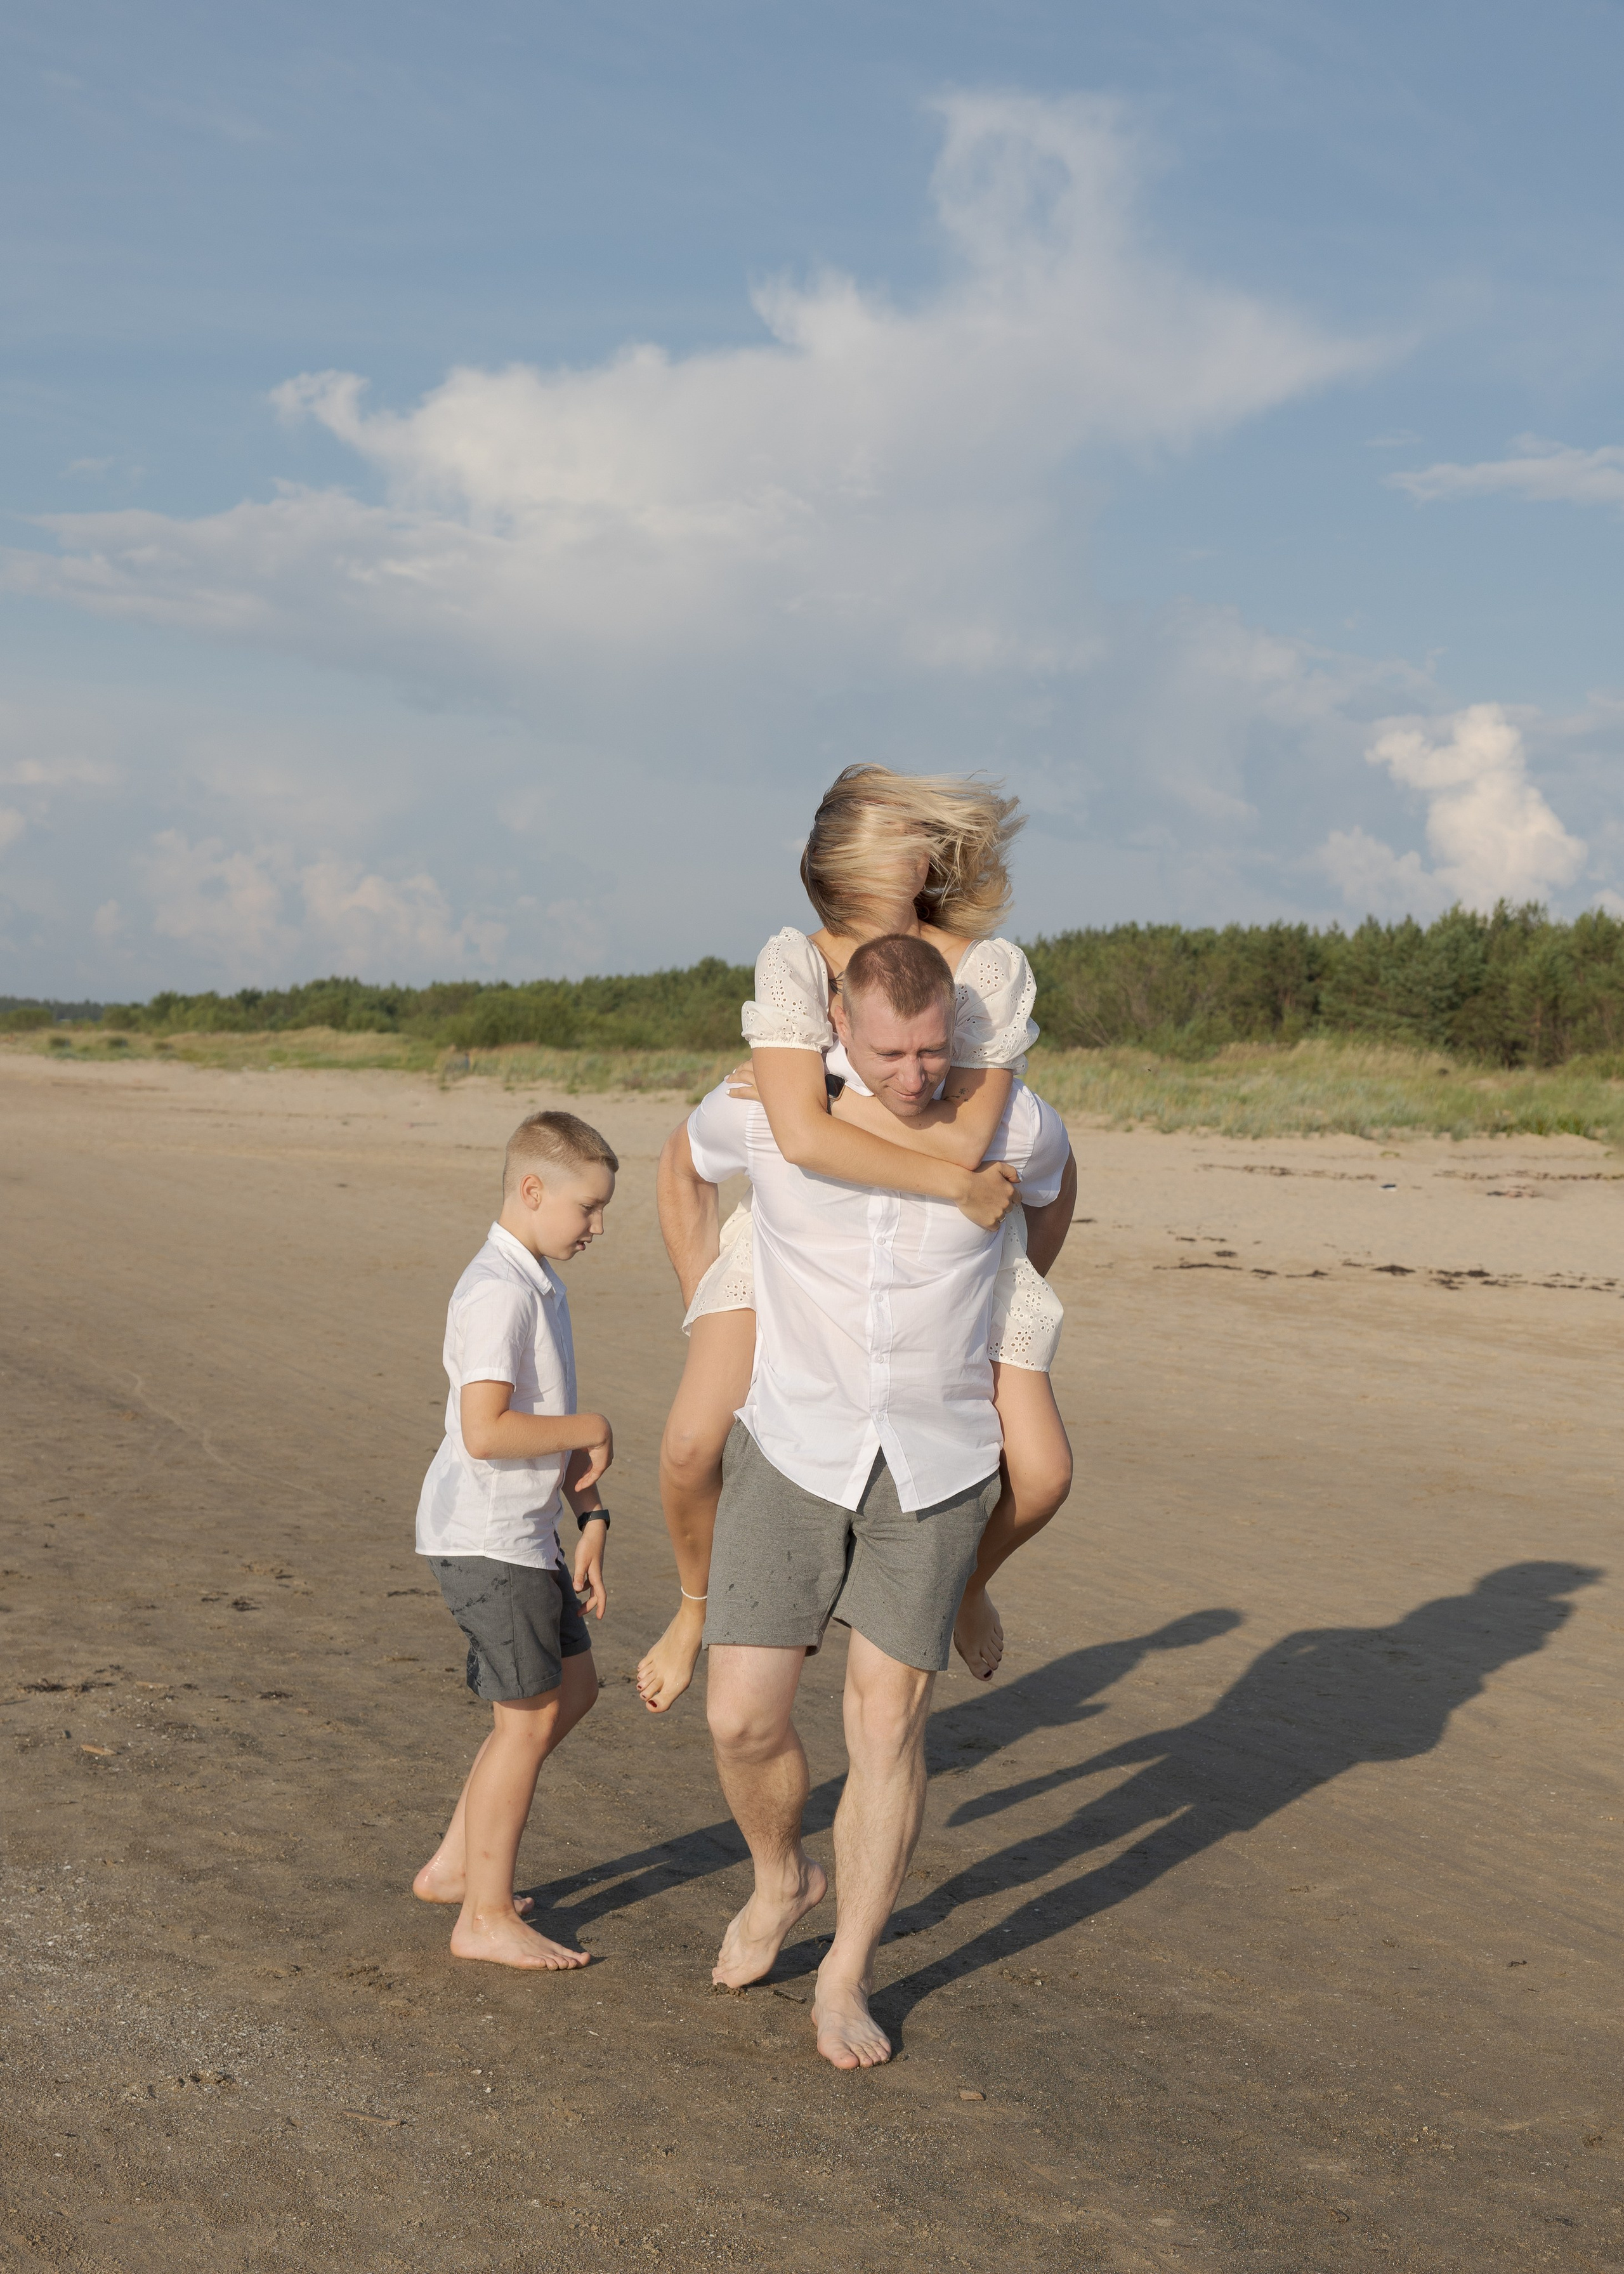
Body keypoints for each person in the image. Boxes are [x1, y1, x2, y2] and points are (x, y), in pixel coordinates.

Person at [662, 933, 1071, 2067]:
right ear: (838, 1027)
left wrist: (1009, 1300)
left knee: (886, 1726)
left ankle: (845, 1977)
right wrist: (713, 1305)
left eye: (933, 1050)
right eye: (889, 1052)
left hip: (939, 1461)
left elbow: (1055, 1187)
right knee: (742, 1718)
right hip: (794, 1445)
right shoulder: (762, 1112)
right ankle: (781, 1876)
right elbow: (678, 1169)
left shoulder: (1015, 1121)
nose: (914, 1075)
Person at [638, 764, 1075, 1715]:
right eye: (899, 839)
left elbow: (973, 1141)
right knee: (684, 1445)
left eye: (923, 841)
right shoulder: (798, 963)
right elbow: (782, 1139)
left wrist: (825, 1101)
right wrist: (706, 1297)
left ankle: (965, 1584)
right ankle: (691, 1605)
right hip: (784, 1253)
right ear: (850, 859)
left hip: (954, 1264)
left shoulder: (978, 969)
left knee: (1043, 1475)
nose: (921, 857)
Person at [410, 1110, 619, 1972]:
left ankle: (458, 1866)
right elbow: (489, 1430)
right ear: (532, 1191)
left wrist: (594, 1517)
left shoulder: (537, 1281)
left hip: (525, 1536)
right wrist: (593, 1423)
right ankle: (483, 1914)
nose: (598, 1228)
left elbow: (544, 1429)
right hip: (487, 1536)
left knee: (573, 1689)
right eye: (588, 1209)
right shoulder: (498, 1290)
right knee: (524, 1723)